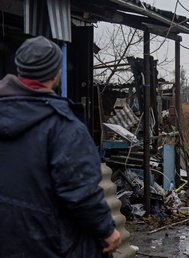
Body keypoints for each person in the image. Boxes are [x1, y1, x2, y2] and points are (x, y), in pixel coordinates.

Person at [0, 36, 121, 257]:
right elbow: (81, 192)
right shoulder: (63, 126)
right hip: (49, 243)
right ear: (56, 73)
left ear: (20, 70)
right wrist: (107, 230)